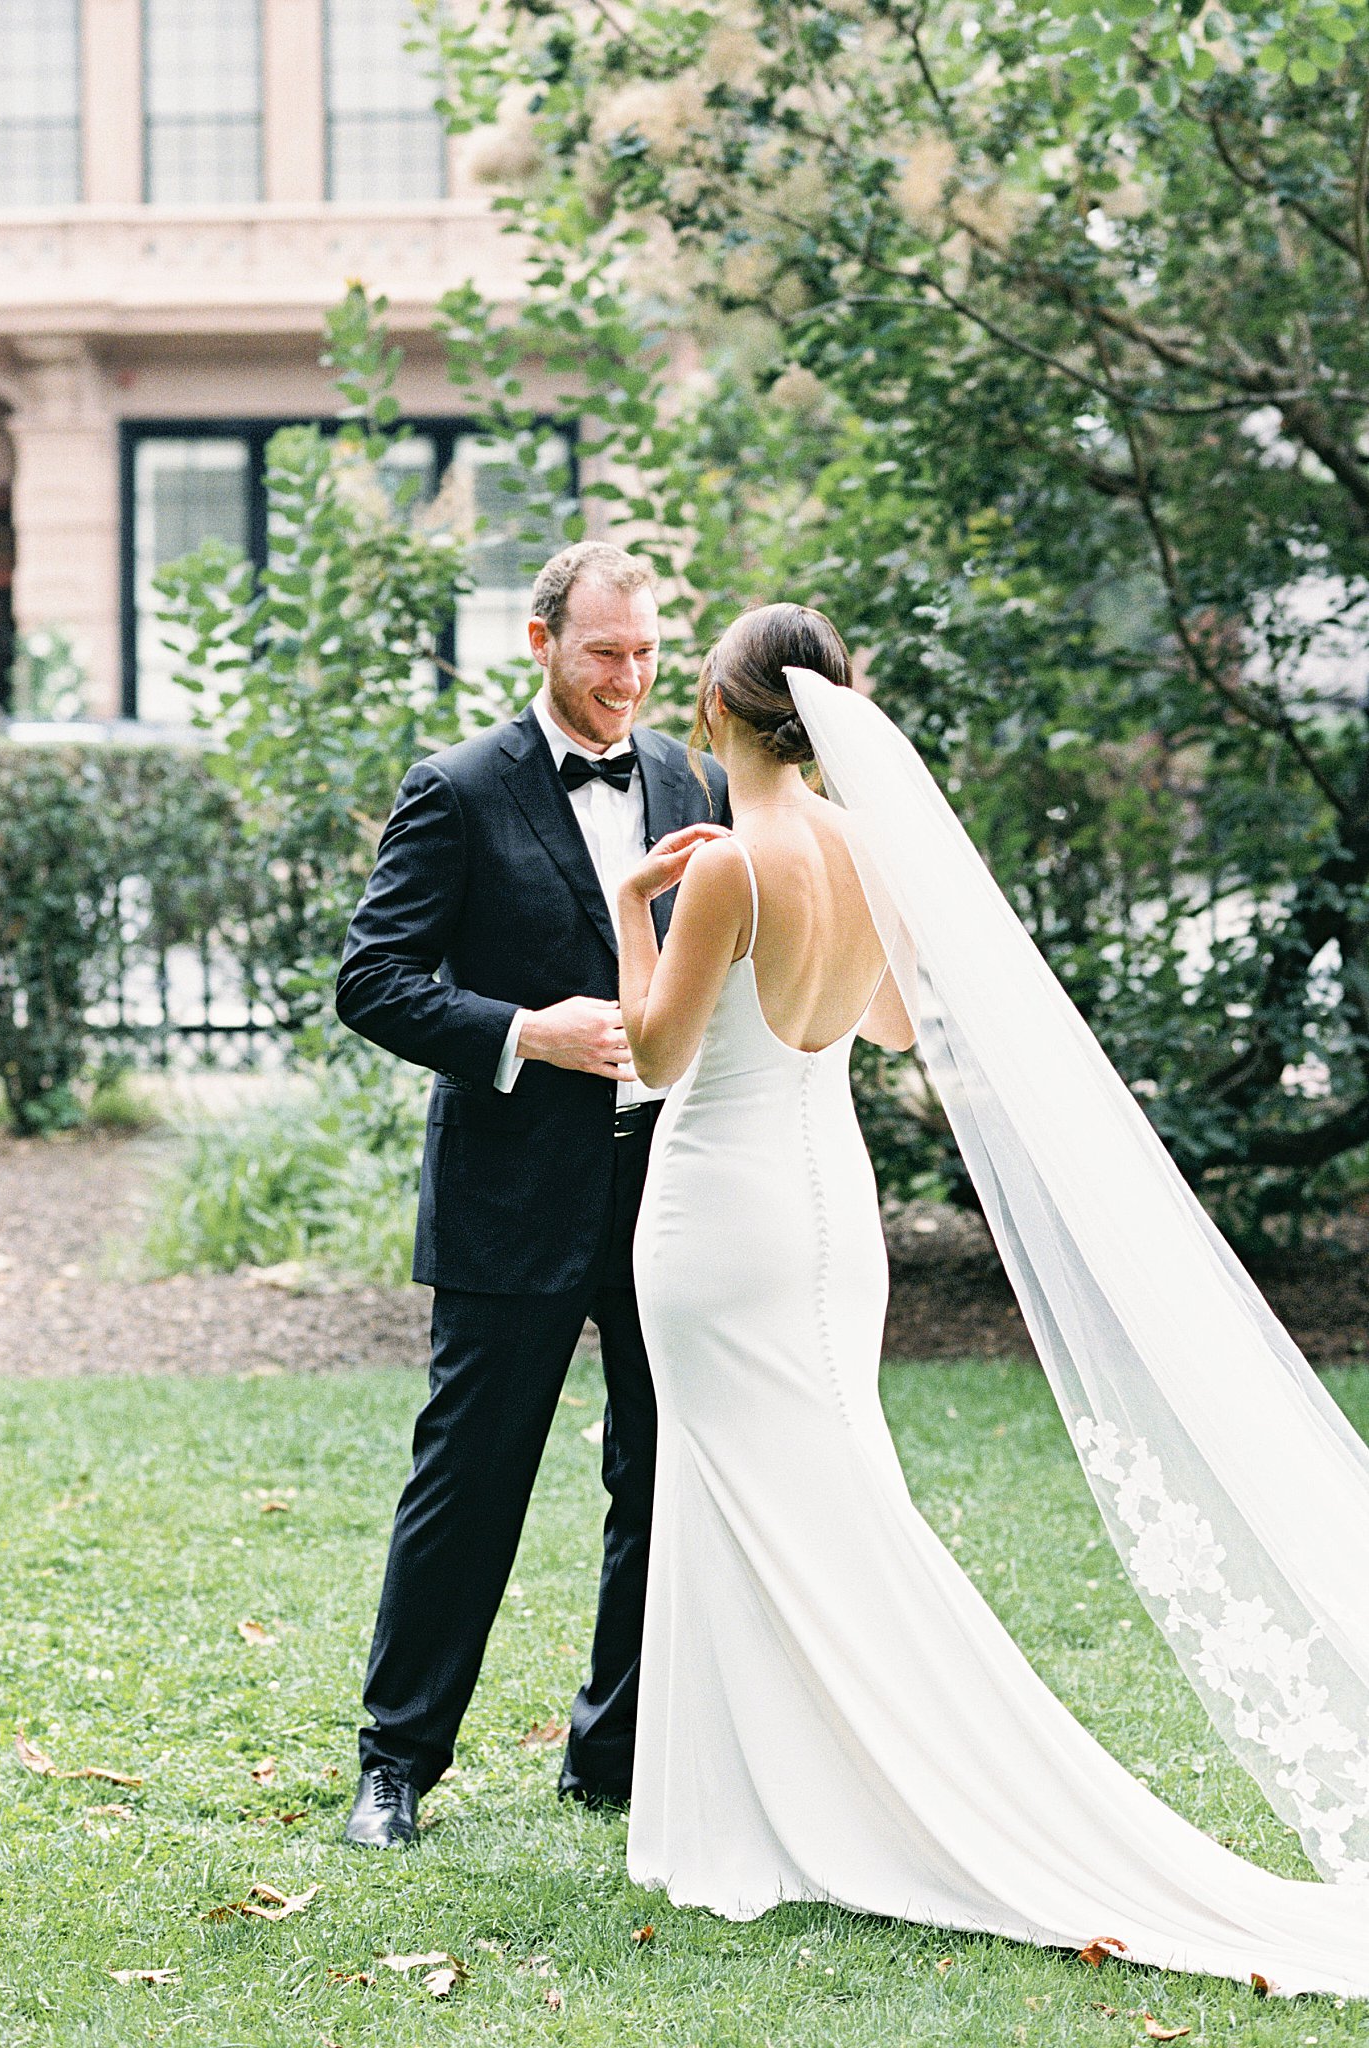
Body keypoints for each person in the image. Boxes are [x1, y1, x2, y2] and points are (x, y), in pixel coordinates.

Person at [613, 600, 1369, 1998]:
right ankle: (778, 1800)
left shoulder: (723, 867)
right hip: (829, 1206)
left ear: (715, 716)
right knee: (824, 1490)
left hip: (719, 1210)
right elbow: (892, 1021)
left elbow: (652, 1059)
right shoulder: (853, 848)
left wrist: (626, 914)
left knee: (738, 1494)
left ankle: (772, 1813)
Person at [333, 541, 728, 1847]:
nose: (627, 680)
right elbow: (373, 980)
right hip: (512, 1191)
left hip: (668, 1185)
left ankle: (610, 1751)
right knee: (470, 1478)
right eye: (603, 652)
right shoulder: (454, 789)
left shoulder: (695, 781)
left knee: (664, 1468)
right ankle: (396, 1764)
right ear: (540, 640)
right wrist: (521, 1032)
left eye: (646, 655)